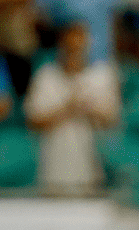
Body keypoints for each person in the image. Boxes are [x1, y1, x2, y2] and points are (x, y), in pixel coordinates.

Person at [23, 21, 120, 195]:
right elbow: (33, 121)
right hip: (53, 173)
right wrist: (69, 108)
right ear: (61, 44)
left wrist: (87, 108)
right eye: (69, 46)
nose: (74, 51)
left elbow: (111, 119)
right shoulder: (46, 76)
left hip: (93, 172)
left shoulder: (102, 75)